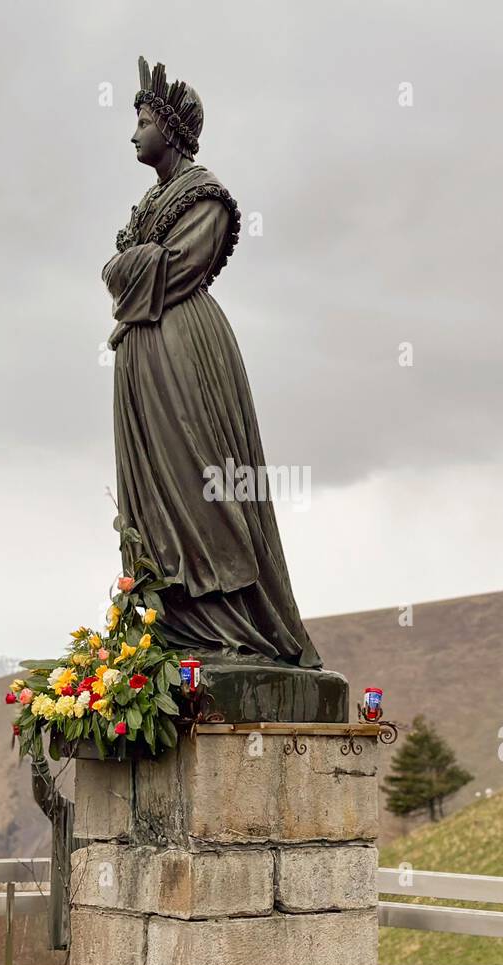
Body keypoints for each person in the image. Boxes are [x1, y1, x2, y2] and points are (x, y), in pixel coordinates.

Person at [103, 57, 321, 668]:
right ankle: (171, 619)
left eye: (142, 120)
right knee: (150, 491)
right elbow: (126, 274)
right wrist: (131, 266)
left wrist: (128, 266)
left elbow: (166, 271)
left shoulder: (205, 199)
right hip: (143, 353)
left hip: (184, 352)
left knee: (198, 474)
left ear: (169, 129)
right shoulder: (150, 205)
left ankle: (228, 621)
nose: (133, 133)